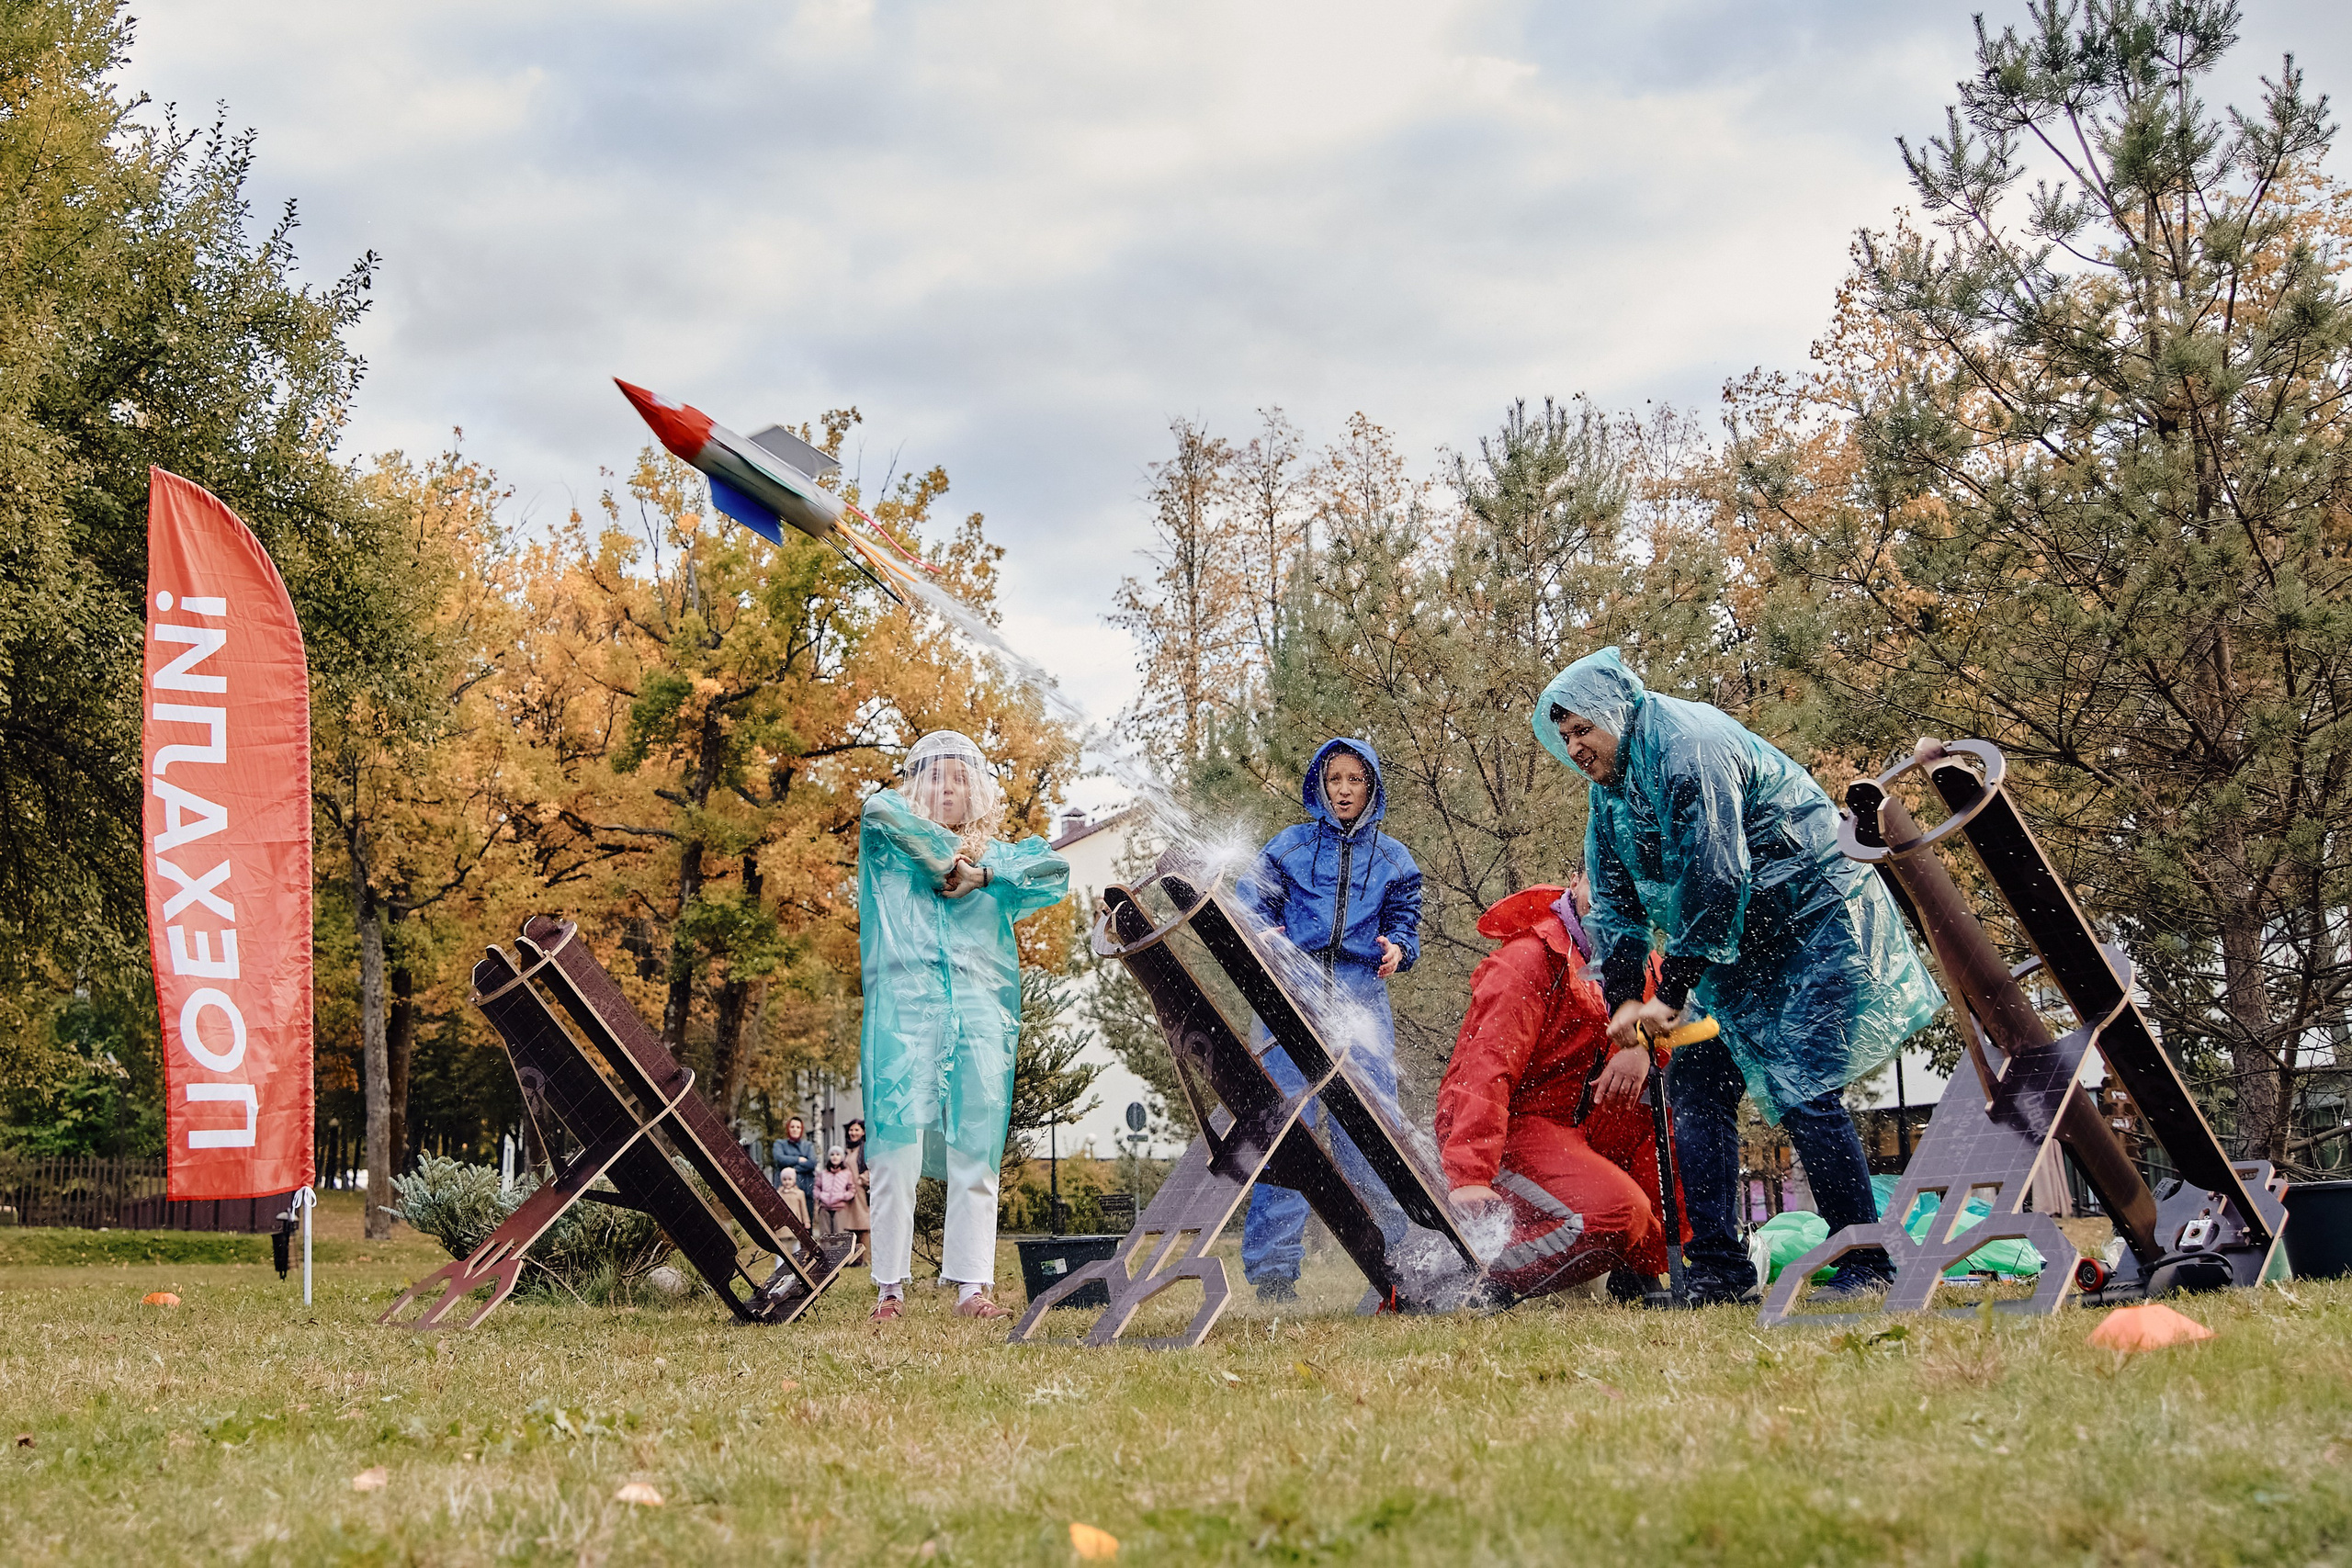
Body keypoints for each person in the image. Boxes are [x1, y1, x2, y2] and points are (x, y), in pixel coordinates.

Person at [1535, 647, 1941, 1304]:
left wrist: (1667, 997)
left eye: (1582, 728)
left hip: (1811, 923)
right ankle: (1719, 1271)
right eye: (1565, 736)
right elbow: (1616, 907)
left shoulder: (1688, 748)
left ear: (1615, 710)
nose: (1575, 745)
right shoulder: (1609, 798)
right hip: (1738, 951)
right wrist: (1622, 1007)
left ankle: (1866, 1265)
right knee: (1697, 1081)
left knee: (1805, 1086)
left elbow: (1716, 881)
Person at [859, 729, 1069, 1323]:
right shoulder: (891, 844)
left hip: (979, 1015)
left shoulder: (996, 858)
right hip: (906, 1013)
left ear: (975, 787)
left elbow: (1052, 866)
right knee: (896, 1145)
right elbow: (876, 808)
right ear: (916, 785)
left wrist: (981, 876)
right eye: (934, 776)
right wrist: (941, 859)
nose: (946, 787)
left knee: (975, 1150)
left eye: (958, 777)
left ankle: (972, 1287)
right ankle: (889, 1290)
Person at [1238, 737, 1424, 1304]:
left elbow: (1406, 923)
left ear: (1372, 788)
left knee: (1370, 1130)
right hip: (1289, 995)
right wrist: (1266, 934)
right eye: (1335, 779)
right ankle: (1274, 1273)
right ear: (1319, 783)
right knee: (1282, 1131)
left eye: (1355, 780)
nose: (1344, 790)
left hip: (1360, 998)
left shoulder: (1395, 859)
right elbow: (1253, 901)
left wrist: (1400, 949)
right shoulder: (1288, 846)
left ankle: (1396, 1264)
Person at [1435, 874, 1678, 1302]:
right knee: (1617, 1215)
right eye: (1599, 881)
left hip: (1571, 1126)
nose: (1610, 898)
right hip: (1508, 1129)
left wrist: (1642, 1045)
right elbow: (1484, 1071)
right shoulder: (1529, 960)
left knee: (1670, 1106)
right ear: (1574, 880)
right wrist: (1470, 1175)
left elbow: (1684, 1029)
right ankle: (1456, 1277)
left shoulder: (1642, 965)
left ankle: (1639, 1269)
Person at [814, 1145, 870, 1258]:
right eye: (832, 1154)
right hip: (825, 1207)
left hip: (840, 1208)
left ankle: (840, 1259)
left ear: (842, 1158)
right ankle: (826, 1258)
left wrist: (842, 1196)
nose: (835, 1157)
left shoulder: (846, 1173)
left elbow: (852, 1189)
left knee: (839, 1234)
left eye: (838, 1154)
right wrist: (821, 1196)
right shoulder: (823, 1173)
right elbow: (816, 1188)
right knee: (825, 1235)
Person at [773, 1115, 819, 1211]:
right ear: (788, 1128)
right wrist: (798, 1159)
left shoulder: (808, 1145)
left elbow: (812, 1163)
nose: (795, 1130)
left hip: (805, 1190)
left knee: (806, 1222)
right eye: (792, 1127)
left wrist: (791, 1168)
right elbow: (780, 1159)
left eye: (798, 1127)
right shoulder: (780, 1144)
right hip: (785, 1191)